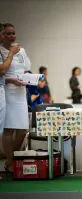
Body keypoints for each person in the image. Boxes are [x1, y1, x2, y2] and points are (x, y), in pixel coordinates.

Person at [0, 23, 31, 175]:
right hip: (6, 92)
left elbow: (26, 69)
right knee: (8, 129)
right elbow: (2, 73)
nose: (12, 36)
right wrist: (10, 80)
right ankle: (11, 162)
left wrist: (28, 79)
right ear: (2, 36)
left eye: (13, 33)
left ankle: (9, 158)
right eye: (8, 33)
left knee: (22, 129)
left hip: (20, 93)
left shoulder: (22, 51)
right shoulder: (0, 51)